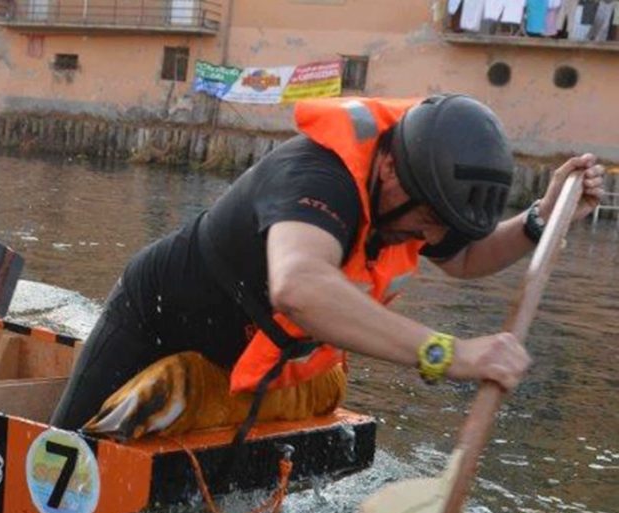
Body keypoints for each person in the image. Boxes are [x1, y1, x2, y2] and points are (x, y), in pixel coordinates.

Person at [51, 94, 605, 439]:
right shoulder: (317, 178)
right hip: (156, 319)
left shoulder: (417, 201)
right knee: (61, 464)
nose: (433, 239)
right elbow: (298, 288)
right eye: (430, 220)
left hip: (239, 363)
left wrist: (540, 219)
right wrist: (450, 354)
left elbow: (462, 258)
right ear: (389, 169)